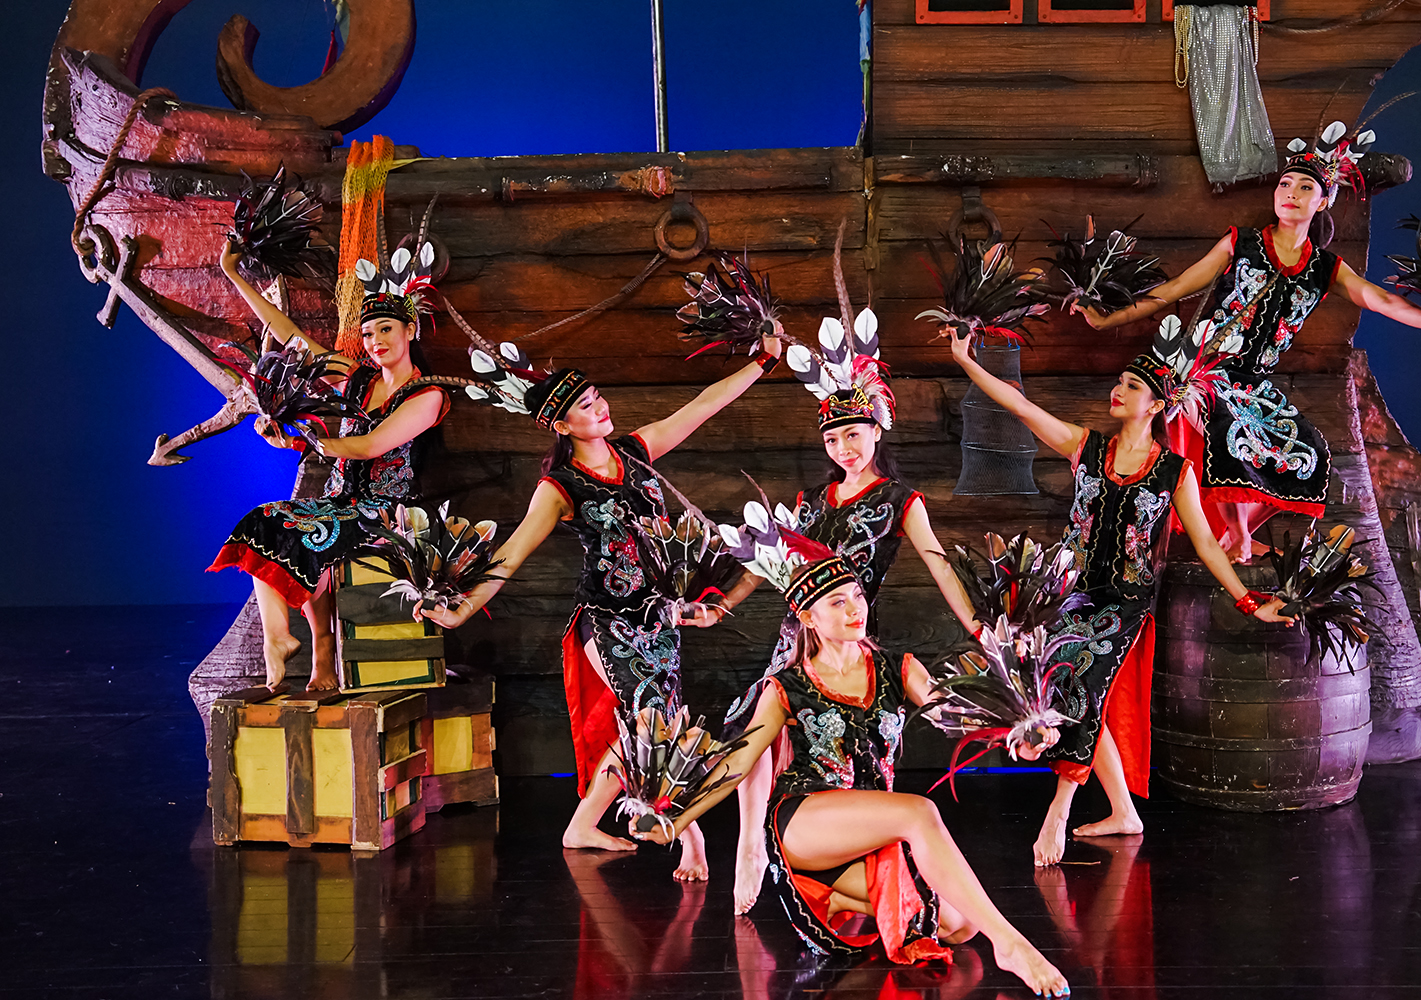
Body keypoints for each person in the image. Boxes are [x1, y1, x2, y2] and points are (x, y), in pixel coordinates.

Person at [419, 330, 785, 881]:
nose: (601, 407)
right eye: (586, 406)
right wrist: (464, 608)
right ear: (562, 425)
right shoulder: (560, 486)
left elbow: (702, 406)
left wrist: (762, 362)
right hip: (608, 619)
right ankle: (692, 837)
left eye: (598, 397)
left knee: (647, 728)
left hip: (659, 617)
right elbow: (513, 552)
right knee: (652, 725)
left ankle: (581, 825)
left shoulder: (635, 452)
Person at [631, 550, 1070, 997]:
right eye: (838, 603)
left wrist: (1015, 732)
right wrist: (676, 821)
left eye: (857, 596)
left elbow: (955, 714)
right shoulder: (787, 686)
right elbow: (737, 763)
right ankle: (1012, 945)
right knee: (920, 813)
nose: (856, 609)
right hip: (804, 822)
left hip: (871, 832)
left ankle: (834, 896)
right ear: (808, 617)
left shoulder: (896, 668)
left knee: (960, 925)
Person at [947, 326, 1293, 865]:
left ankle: (1058, 812)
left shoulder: (1174, 473)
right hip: (1066, 595)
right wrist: (968, 363)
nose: (1119, 390)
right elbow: (1018, 405)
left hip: (1124, 604)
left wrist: (1248, 600)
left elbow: (1204, 542)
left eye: (1132, 386)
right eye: (1120, 382)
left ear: (1157, 404)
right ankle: (1123, 813)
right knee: (1079, 695)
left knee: (1080, 685)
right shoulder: (1084, 448)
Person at [1073, 123, 1421, 562]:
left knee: (1309, 454)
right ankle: (1238, 536)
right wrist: (1108, 318)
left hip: (1254, 380)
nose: (1291, 193)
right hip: (1202, 368)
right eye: (1285, 184)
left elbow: (1381, 300)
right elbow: (1175, 289)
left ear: (1322, 202)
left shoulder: (1325, 268)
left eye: (1305, 187)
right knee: (1222, 429)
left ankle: (1236, 532)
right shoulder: (1241, 243)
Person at [714, 305, 980, 914]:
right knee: (756, 726)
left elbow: (940, 565)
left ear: (877, 431)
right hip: (800, 629)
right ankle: (751, 845)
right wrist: (722, 605)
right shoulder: (813, 497)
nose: (843, 448)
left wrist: (978, 625)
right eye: (832, 439)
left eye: (853, 435)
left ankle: (853, 849)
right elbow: (770, 559)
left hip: (853, 630)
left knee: (853, 746)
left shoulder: (899, 499)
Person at [209, 240, 449, 691]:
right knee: (264, 521)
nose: (375, 342)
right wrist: (235, 275)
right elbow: (292, 338)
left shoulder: (427, 396)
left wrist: (313, 442)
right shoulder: (359, 380)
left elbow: (372, 445)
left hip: (385, 513)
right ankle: (280, 638)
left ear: (410, 330)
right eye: (368, 334)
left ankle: (321, 652)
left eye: (385, 330)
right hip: (340, 502)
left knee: (312, 534)